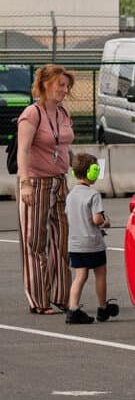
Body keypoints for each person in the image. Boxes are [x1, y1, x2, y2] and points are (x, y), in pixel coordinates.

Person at [16, 65, 75, 314]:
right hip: (37, 184)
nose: (65, 89)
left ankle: (62, 296)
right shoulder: (32, 114)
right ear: (46, 84)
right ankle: (39, 300)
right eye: (60, 84)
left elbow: (65, 147)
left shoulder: (63, 113)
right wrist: (25, 183)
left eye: (66, 85)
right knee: (35, 243)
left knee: (61, 242)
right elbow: (23, 150)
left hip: (59, 182)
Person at [64, 152, 119, 324]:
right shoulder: (93, 194)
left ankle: (72, 309)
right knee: (100, 274)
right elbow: (96, 219)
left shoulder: (71, 194)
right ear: (92, 172)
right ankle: (102, 308)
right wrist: (106, 222)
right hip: (93, 243)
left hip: (75, 244)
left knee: (80, 276)